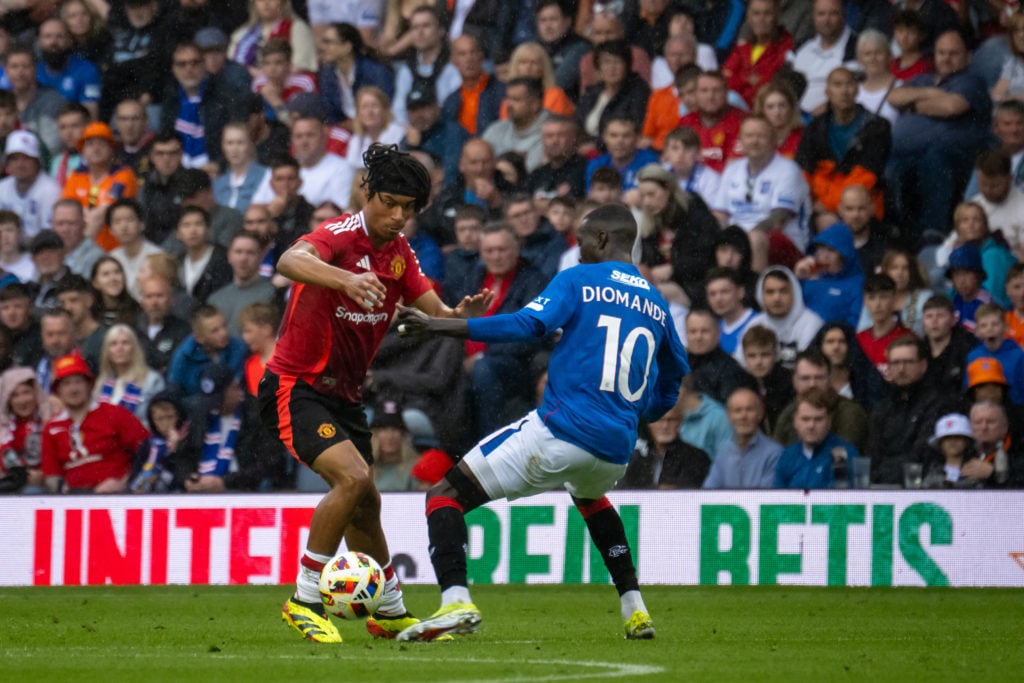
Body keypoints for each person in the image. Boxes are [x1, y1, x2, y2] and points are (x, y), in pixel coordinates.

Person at [393, 203, 688, 641]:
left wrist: (440, 326)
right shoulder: (657, 304)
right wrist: (640, 413)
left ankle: (455, 602)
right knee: (591, 497)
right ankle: (636, 610)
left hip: (561, 430)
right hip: (614, 450)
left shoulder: (579, 280)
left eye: (584, 238)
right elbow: (674, 375)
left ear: (604, 240)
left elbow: (530, 325)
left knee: (443, 495)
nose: (579, 247)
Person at [254, 144, 493, 644]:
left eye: (409, 208)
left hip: (345, 396)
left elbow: (433, 311)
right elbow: (289, 259)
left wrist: (457, 314)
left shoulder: (401, 254)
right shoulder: (339, 236)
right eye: (390, 202)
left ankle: (389, 610)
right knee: (353, 476)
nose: (399, 216)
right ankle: (303, 599)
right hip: (296, 386)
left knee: (365, 502)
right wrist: (345, 278)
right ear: (368, 193)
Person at [886, 30, 992, 245]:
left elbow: (951, 107)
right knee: (888, 164)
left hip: (955, 158)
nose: (946, 58)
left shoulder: (972, 82)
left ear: (968, 57)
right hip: (906, 154)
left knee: (935, 158)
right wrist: (932, 94)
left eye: (953, 53)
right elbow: (894, 96)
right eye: (941, 52)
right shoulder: (922, 79)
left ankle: (933, 232)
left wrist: (913, 105)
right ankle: (896, 231)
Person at [794, 68, 892, 229]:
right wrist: (811, 203)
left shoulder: (877, 127)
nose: (844, 91)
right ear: (827, 92)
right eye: (837, 85)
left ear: (857, 90)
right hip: (818, 205)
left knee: (829, 222)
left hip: (860, 206)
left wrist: (829, 204)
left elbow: (867, 176)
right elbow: (803, 171)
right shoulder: (814, 127)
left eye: (849, 85)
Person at [40, 352, 150, 494]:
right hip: (73, 500)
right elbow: (51, 475)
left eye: (78, 382)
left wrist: (125, 482)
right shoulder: (51, 428)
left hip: (117, 496)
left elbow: (148, 449)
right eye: (66, 384)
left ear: (89, 385)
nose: (73, 389)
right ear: (58, 391)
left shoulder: (114, 413)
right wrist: (60, 492)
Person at [868, 334, 957, 485]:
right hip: (883, 490)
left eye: (908, 362)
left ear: (923, 366)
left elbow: (922, 455)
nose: (901, 369)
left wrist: (886, 471)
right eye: (895, 363)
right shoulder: (882, 408)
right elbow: (872, 457)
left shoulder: (938, 403)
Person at [634, 163, 719, 307]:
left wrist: (674, 269)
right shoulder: (650, 224)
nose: (647, 202)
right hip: (662, 287)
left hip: (696, 288)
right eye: (642, 196)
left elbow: (707, 257)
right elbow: (648, 262)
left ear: (668, 189)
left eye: (651, 194)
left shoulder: (695, 213)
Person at [771, 348, 870, 452]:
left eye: (819, 378)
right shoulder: (788, 413)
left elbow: (843, 458)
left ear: (829, 379)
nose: (812, 384)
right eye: (805, 378)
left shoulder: (850, 413)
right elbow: (778, 458)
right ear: (795, 381)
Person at [60, 121, 138, 251]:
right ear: (83, 150)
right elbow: (67, 209)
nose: (96, 149)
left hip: (115, 249)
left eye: (102, 143)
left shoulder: (123, 174)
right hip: (86, 245)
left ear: (111, 148)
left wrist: (83, 213)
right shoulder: (75, 175)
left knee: (98, 215)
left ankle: (81, 253)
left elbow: (106, 211)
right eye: (90, 144)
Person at [774, 387, 862, 488]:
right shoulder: (787, 456)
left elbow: (840, 498)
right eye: (805, 419)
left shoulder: (840, 453)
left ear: (829, 421)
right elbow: (778, 499)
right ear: (795, 422)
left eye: (818, 419)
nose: (811, 425)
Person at [743, 266, 824, 369]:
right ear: (761, 296)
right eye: (770, 292)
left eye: (783, 291)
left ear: (795, 293)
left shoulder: (811, 323)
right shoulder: (755, 324)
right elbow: (742, 363)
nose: (777, 298)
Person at [703, 387, 782, 489]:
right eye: (737, 410)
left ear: (760, 413)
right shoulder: (724, 451)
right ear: (729, 415)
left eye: (749, 409)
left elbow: (766, 498)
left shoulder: (774, 453)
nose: (743, 416)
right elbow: (708, 492)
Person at [722, 0, 794, 107]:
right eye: (756, 14)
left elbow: (767, 85)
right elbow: (724, 79)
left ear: (777, 16)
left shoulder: (786, 48)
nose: (761, 19)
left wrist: (739, 78)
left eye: (767, 14)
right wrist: (747, 79)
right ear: (749, 17)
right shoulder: (743, 47)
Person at [789, 0, 857, 113]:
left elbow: (848, 96)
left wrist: (808, 119)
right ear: (814, 17)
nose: (826, 20)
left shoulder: (855, 49)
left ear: (843, 16)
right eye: (821, 14)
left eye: (833, 14)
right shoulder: (801, 46)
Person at [619, 405, 710, 489]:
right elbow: (622, 490)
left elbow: (689, 492)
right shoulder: (637, 457)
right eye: (659, 420)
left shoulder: (695, 458)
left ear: (680, 422)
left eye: (671, 420)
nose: (665, 426)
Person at [793, 222, 865, 328]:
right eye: (821, 249)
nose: (824, 256)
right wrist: (796, 279)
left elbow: (855, 321)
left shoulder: (859, 284)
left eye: (831, 250)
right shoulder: (807, 279)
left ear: (845, 254)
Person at [166, 304, 247, 397]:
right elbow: (174, 393)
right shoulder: (183, 357)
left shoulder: (239, 348)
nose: (224, 333)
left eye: (224, 326)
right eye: (215, 331)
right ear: (200, 338)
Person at [207, 231, 277, 337]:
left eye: (250, 253)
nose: (243, 258)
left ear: (261, 257)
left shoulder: (272, 294)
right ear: (229, 256)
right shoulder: (215, 299)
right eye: (238, 252)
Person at [93, 324, 165, 422]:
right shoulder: (101, 384)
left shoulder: (152, 380)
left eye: (125, 343)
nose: (120, 348)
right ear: (107, 351)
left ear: (134, 348)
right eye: (113, 344)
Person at [677, 71, 744, 174]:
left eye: (716, 90)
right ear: (696, 94)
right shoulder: (686, 122)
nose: (710, 97)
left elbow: (736, 168)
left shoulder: (741, 122)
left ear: (726, 93)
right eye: (704, 91)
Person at [0, 366, 53, 494]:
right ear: (8, 400)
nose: (22, 401)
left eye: (26, 392)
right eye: (15, 395)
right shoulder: (3, 428)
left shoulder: (50, 421)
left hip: (42, 490)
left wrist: (43, 475)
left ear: (36, 394)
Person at [0, 130, 59, 240]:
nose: (20, 164)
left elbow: (49, 236)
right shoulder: (2, 188)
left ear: (37, 161)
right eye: (14, 159)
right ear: (7, 163)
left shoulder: (51, 190)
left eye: (26, 158)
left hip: (40, 251)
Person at [135, 273, 192, 376]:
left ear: (171, 299)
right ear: (142, 301)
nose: (154, 302)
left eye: (159, 296)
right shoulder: (133, 330)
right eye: (149, 296)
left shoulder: (183, 330)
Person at [967, 303, 1024, 406]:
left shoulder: (1018, 355)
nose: (990, 329)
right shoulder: (973, 356)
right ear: (977, 331)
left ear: (1006, 327)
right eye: (983, 326)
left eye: (995, 324)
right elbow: (968, 389)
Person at [740, 325, 794, 431]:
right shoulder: (740, 384)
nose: (758, 362)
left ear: (775, 355)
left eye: (765, 355)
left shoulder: (790, 383)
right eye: (752, 356)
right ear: (744, 357)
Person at [856, 274, 911, 372]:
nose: (877, 304)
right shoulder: (858, 341)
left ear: (894, 299)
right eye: (872, 298)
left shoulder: (907, 338)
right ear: (865, 302)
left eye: (883, 297)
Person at [214, 123, 268, 213]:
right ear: (223, 146)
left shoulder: (266, 176)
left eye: (240, 143)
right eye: (229, 143)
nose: (234, 149)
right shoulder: (217, 183)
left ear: (250, 145)